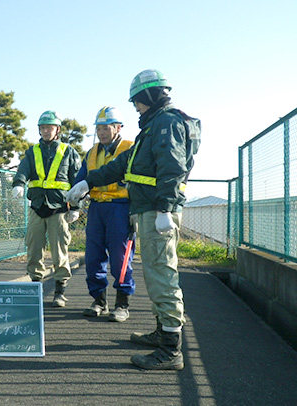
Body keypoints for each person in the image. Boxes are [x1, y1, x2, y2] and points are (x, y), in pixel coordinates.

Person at [66, 69, 200, 370]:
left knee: (162, 276)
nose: (136, 107)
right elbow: (124, 164)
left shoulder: (165, 123)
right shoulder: (153, 127)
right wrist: (89, 182)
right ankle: (160, 332)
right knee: (154, 275)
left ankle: (170, 350)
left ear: (148, 97)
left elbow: (173, 165)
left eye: (137, 101)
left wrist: (166, 207)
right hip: (148, 210)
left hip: (156, 211)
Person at [12, 110, 81, 307]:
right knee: (34, 250)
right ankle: (35, 288)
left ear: (57, 130)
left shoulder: (68, 152)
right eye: (42, 127)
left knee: (60, 252)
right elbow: (23, 169)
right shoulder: (32, 151)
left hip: (59, 209)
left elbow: (76, 180)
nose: (45, 131)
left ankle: (60, 291)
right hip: (37, 207)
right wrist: (18, 182)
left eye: (49, 127)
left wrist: (75, 207)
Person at [73, 106, 136, 322]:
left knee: (121, 257)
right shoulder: (91, 153)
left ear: (118, 127)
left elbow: (138, 181)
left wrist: (135, 212)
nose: (101, 133)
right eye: (98, 129)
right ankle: (99, 300)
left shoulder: (131, 148)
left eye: (106, 128)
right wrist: (74, 201)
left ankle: (122, 304)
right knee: (93, 257)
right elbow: (81, 180)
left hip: (121, 208)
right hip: (97, 209)